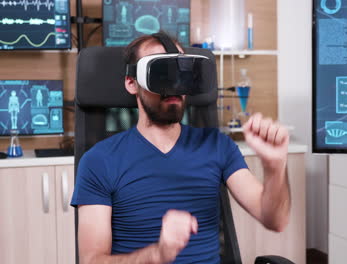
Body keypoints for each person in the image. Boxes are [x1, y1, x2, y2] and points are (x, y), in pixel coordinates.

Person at [71, 34, 291, 264]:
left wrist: (275, 167)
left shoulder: (217, 145)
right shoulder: (99, 160)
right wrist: (157, 254)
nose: (174, 86)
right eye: (161, 73)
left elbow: (275, 220)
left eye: (181, 73)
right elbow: (92, 260)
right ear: (131, 83)